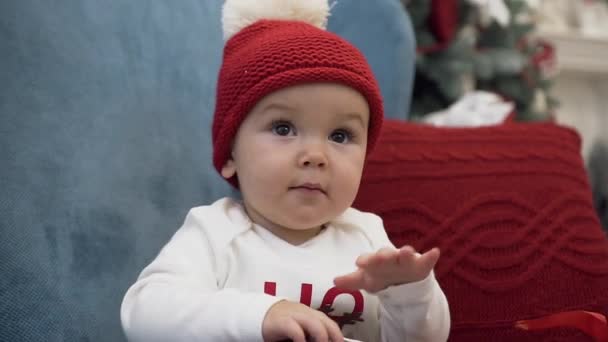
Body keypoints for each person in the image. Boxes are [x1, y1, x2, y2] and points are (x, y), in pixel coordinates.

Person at [120, 0, 450, 341]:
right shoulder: (215, 233)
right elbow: (144, 313)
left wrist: (409, 294)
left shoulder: (367, 239)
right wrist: (261, 315)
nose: (315, 155)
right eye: (283, 128)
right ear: (231, 152)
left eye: (340, 135)